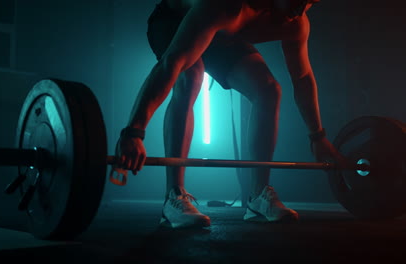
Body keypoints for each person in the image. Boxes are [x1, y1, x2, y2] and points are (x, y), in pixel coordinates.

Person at [114, 0, 343, 228]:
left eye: (311, 2)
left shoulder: (296, 23)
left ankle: (257, 197)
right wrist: (134, 132)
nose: (300, 9)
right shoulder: (224, 6)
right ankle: (174, 196)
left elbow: (302, 78)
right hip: (175, 21)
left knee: (269, 89)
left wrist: (318, 136)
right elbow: (171, 64)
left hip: (222, 35)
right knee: (190, 76)